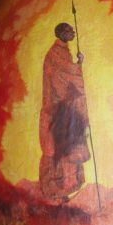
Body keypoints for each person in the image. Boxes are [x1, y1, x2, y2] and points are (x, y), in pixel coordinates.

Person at [39, 21, 91, 202]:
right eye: (69, 31)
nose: (73, 33)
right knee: (58, 150)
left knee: (69, 149)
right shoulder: (56, 54)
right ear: (61, 33)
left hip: (64, 110)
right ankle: (56, 192)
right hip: (57, 111)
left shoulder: (63, 52)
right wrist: (78, 66)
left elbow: (68, 75)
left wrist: (77, 65)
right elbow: (64, 78)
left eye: (72, 30)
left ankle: (65, 191)